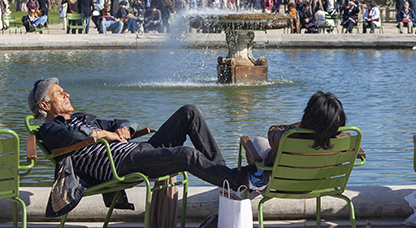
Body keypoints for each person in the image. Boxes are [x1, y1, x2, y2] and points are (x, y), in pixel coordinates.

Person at [29, 78, 260, 194]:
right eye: (59, 93)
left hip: (138, 152)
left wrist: (126, 130)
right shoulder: (50, 129)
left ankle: (224, 178)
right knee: (186, 155)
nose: (66, 94)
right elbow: (76, 136)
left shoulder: (83, 117)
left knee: (189, 112)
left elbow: (121, 122)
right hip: (121, 165)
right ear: (45, 105)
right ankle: (239, 181)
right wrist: (104, 134)